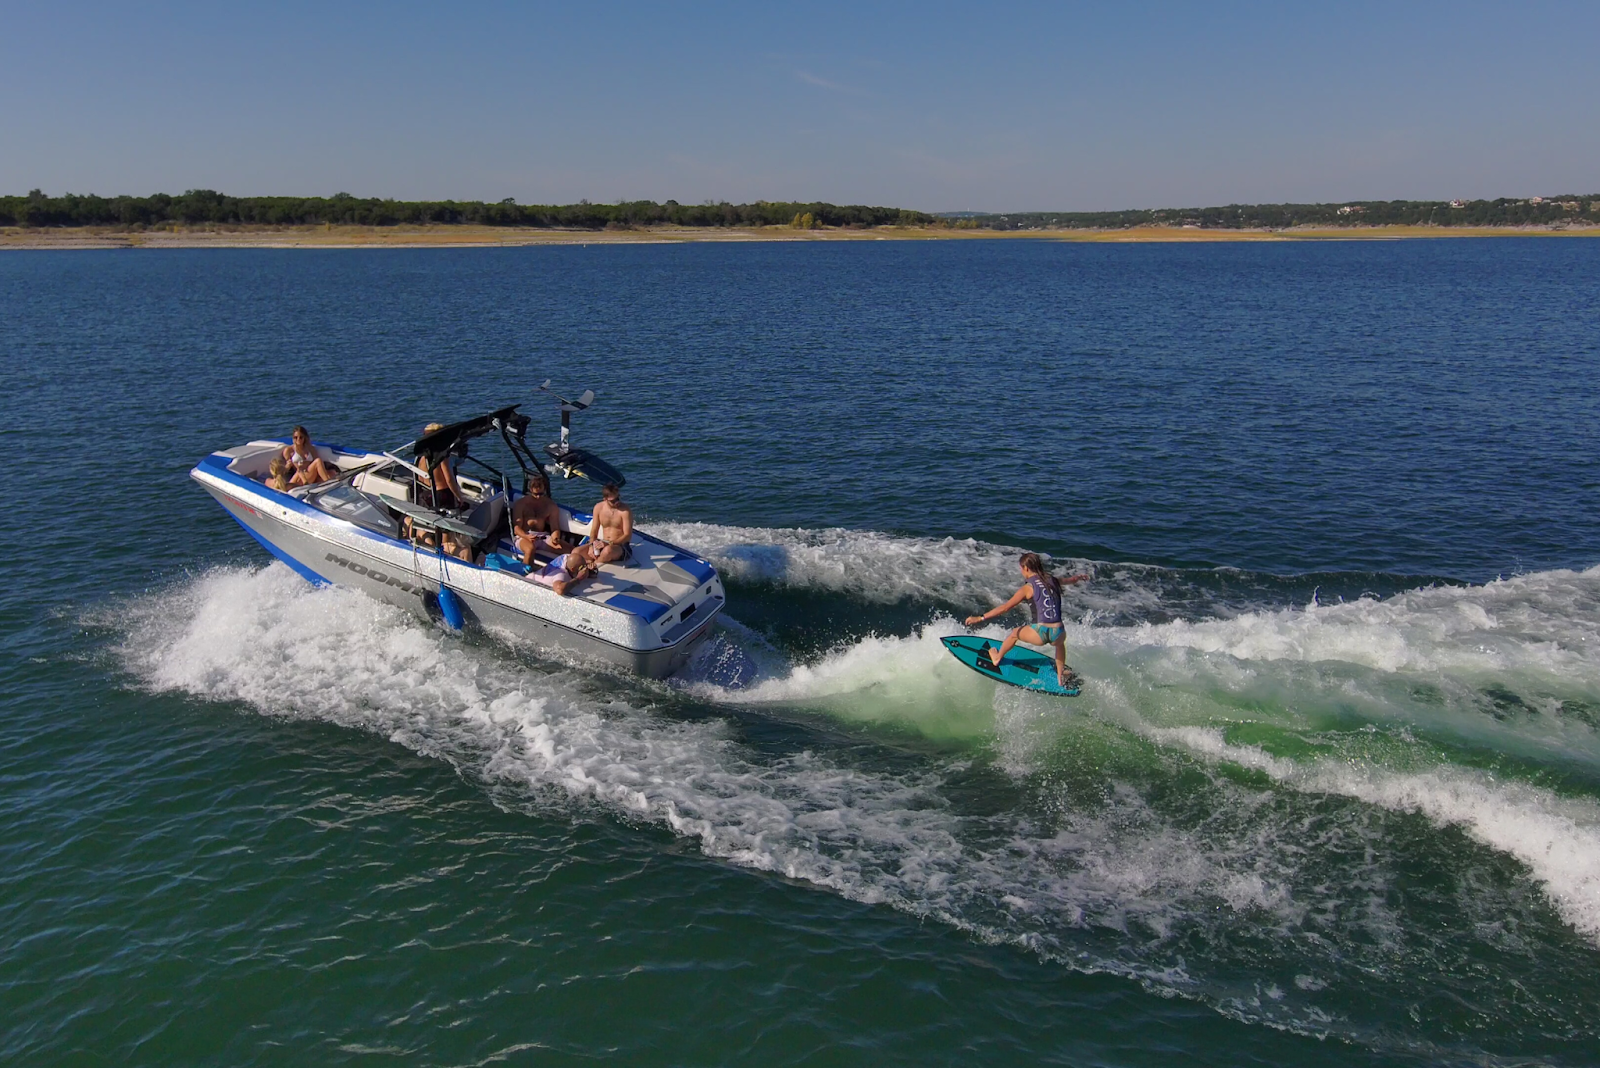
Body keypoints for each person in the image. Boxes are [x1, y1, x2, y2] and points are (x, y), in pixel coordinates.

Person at [964, 552, 1088, 687]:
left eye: (1021, 568)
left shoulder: (1027, 588)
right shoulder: (1053, 580)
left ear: (1026, 568)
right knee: (1059, 645)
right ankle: (1060, 675)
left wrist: (980, 618)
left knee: (1014, 634)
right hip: (1059, 632)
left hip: (1040, 633)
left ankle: (997, 658)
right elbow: (1068, 581)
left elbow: (1005, 608)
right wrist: (1078, 578)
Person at [512, 473, 569, 565]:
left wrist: (555, 537)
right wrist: (527, 536)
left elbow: (555, 528)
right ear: (530, 490)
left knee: (570, 550)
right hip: (524, 537)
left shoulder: (551, 506)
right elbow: (516, 529)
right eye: (535, 494)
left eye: (541, 494)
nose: (538, 497)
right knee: (530, 549)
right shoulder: (521, 504)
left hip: (542, 537)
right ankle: (525, 573)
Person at [414, 422, 466, 512]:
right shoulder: (441, 456)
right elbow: (449, 479)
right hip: (442, 495)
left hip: (427, 493)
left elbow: (420, 478)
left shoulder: (421, 457)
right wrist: (459, 497)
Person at [529, 540, 604, 596]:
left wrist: (591, 569)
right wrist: (578, 578)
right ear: (572, 569)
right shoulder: (560, 574)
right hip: (531, 586)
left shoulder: (567, 557)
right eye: (582, 567)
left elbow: (578, 562)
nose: (584, 568)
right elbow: (560, 590)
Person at [588, 482, 633, 565]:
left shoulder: (625, 511)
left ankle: (593, 565)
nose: (617, 502)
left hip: (620, 546)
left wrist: (609, 543)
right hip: (603, 543)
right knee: (577, 551)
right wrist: (591, 546)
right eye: (613, 501)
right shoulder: (598, 508)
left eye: (618, 498)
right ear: (605, 499)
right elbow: (594, 530)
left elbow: (628, 536)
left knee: (608, 551)